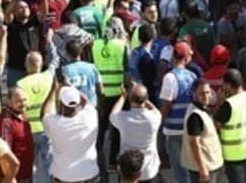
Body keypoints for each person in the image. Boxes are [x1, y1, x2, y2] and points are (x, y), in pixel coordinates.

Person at [43, 85, 100, 183]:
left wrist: (53, 91)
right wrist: (72, 88)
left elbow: (45, 113)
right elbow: (86, 101)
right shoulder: (91, 115)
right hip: (90, 175)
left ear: (61, 104)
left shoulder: (53, 122)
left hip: (64, 177)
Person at [94, 17, 130, 174]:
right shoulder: (123, 45)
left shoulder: (95, 44)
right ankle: (112, 162)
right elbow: (127, 70)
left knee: (100, 128)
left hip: (101, 93)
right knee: (116, 128)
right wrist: (127, 91)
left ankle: (97, 159)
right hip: (118, 93)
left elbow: (92, 67)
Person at [214, 69, 246, 183]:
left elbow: (215, 126)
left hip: (234, 156)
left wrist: (219, 102)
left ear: (227, 85)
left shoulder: (228, 105)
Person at [161, 42, 199, 183]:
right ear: (186, 57)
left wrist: (161, 121)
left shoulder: (170, 78)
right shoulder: (192, 76)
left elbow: (166, 104)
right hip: (189, 128)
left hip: (174, 130)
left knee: (180, 169)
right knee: (190, 167)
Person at [110, 84, 162, 183]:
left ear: (130, 99)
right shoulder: (154, 118)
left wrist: (123, 97)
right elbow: (154, 109)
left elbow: (113, 114)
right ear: (146, 98)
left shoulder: (123, 118)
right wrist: (144, 98)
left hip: (127, 171)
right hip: (148, 170)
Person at [17, 51, 56, 183]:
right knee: (49, 163)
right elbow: (55, 60)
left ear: (26, 65)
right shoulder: (49, 77)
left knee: (31, 165)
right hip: (47, 128)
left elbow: (18, 108)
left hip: (29, 130)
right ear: (41, 64)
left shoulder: (21, 84)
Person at [182, 79, 224, 183]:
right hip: (205, 167)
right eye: (201, 93)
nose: (205, 96)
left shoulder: (201, 109)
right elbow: (194, 143)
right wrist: (203, 168)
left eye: (207, 92)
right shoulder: (195, 116)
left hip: (209, 164)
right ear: (194, 94)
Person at [0, 88, 36, 183]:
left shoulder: (22, 114)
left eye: (24, 100)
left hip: (26, 174)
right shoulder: (6, 122)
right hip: (15, 178)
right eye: (18, 101)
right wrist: (11, 179)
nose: (23, 104)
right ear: (9, 101)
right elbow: (4, 154)